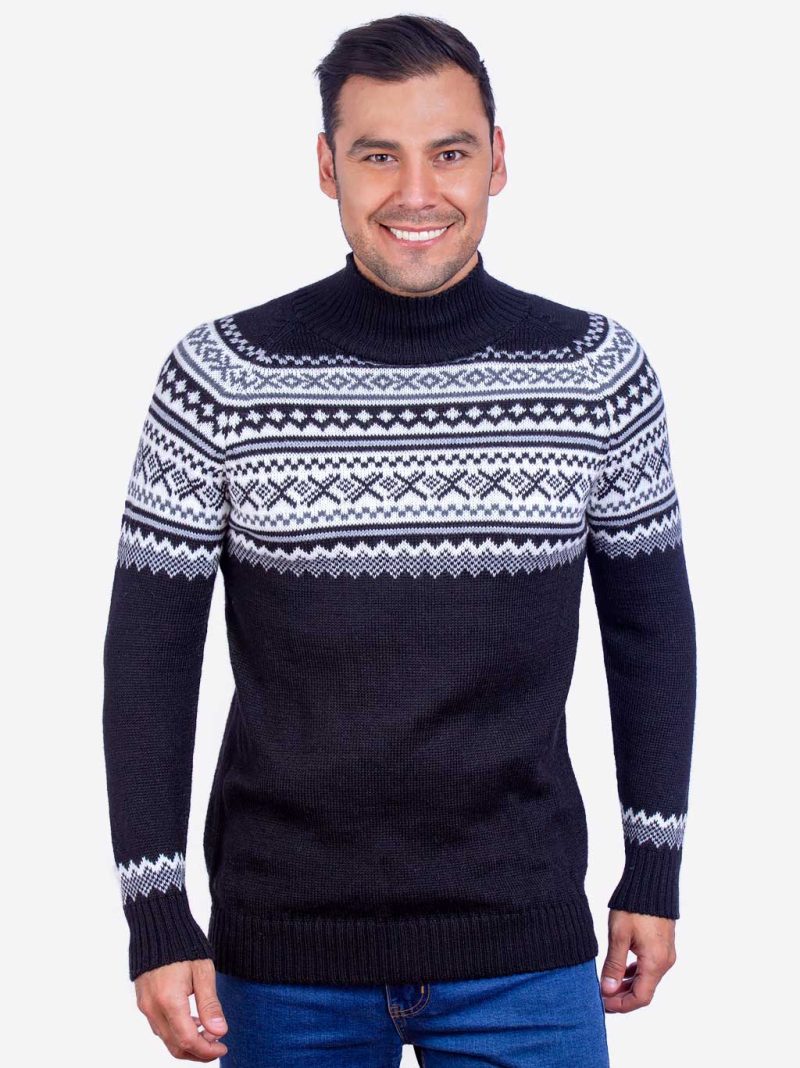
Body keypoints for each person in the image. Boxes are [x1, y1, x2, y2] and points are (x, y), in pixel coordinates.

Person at [101, 13, 696, 1066]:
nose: (416, 193)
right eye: (378, 156)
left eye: (449, 153)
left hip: (523, 944)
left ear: (497, 160)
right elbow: (149, 659)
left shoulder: (595, 374)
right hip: (281, 958)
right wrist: (156, 914)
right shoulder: (219, 380)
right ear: (326, 167)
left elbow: (652, 635)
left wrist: (654, 869)